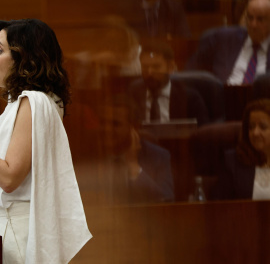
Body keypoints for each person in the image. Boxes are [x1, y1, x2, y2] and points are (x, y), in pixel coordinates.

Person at [0, 19, 92, 263]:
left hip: (15, 233)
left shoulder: (33, 101)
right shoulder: (39, 101)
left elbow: (9, 178)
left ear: (23, 58)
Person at [88, 94, 174, 204]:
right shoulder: (88, 153)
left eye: (115, 124)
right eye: (103, 123)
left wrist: (135, 168)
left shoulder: (157, 156)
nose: (107, 129)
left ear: (134, 127)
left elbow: (166, 203)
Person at [187, 0, 270, 85]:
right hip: (225, 95)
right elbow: (189, 73)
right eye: (250, 18)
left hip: (262, 98)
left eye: (260, 19)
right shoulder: (221, 39)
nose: (253, 25)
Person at [129, 40, 209, 126]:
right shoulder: (133, 94)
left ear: (170, 67)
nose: (149, 72)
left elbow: (203, 133)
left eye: (156, 67)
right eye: (145, 67)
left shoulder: (190, 98)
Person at [216, 99, 270, 200]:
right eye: (251, 127)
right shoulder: (232, 162)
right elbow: (221, 208)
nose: (255, 133)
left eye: (263, 127)